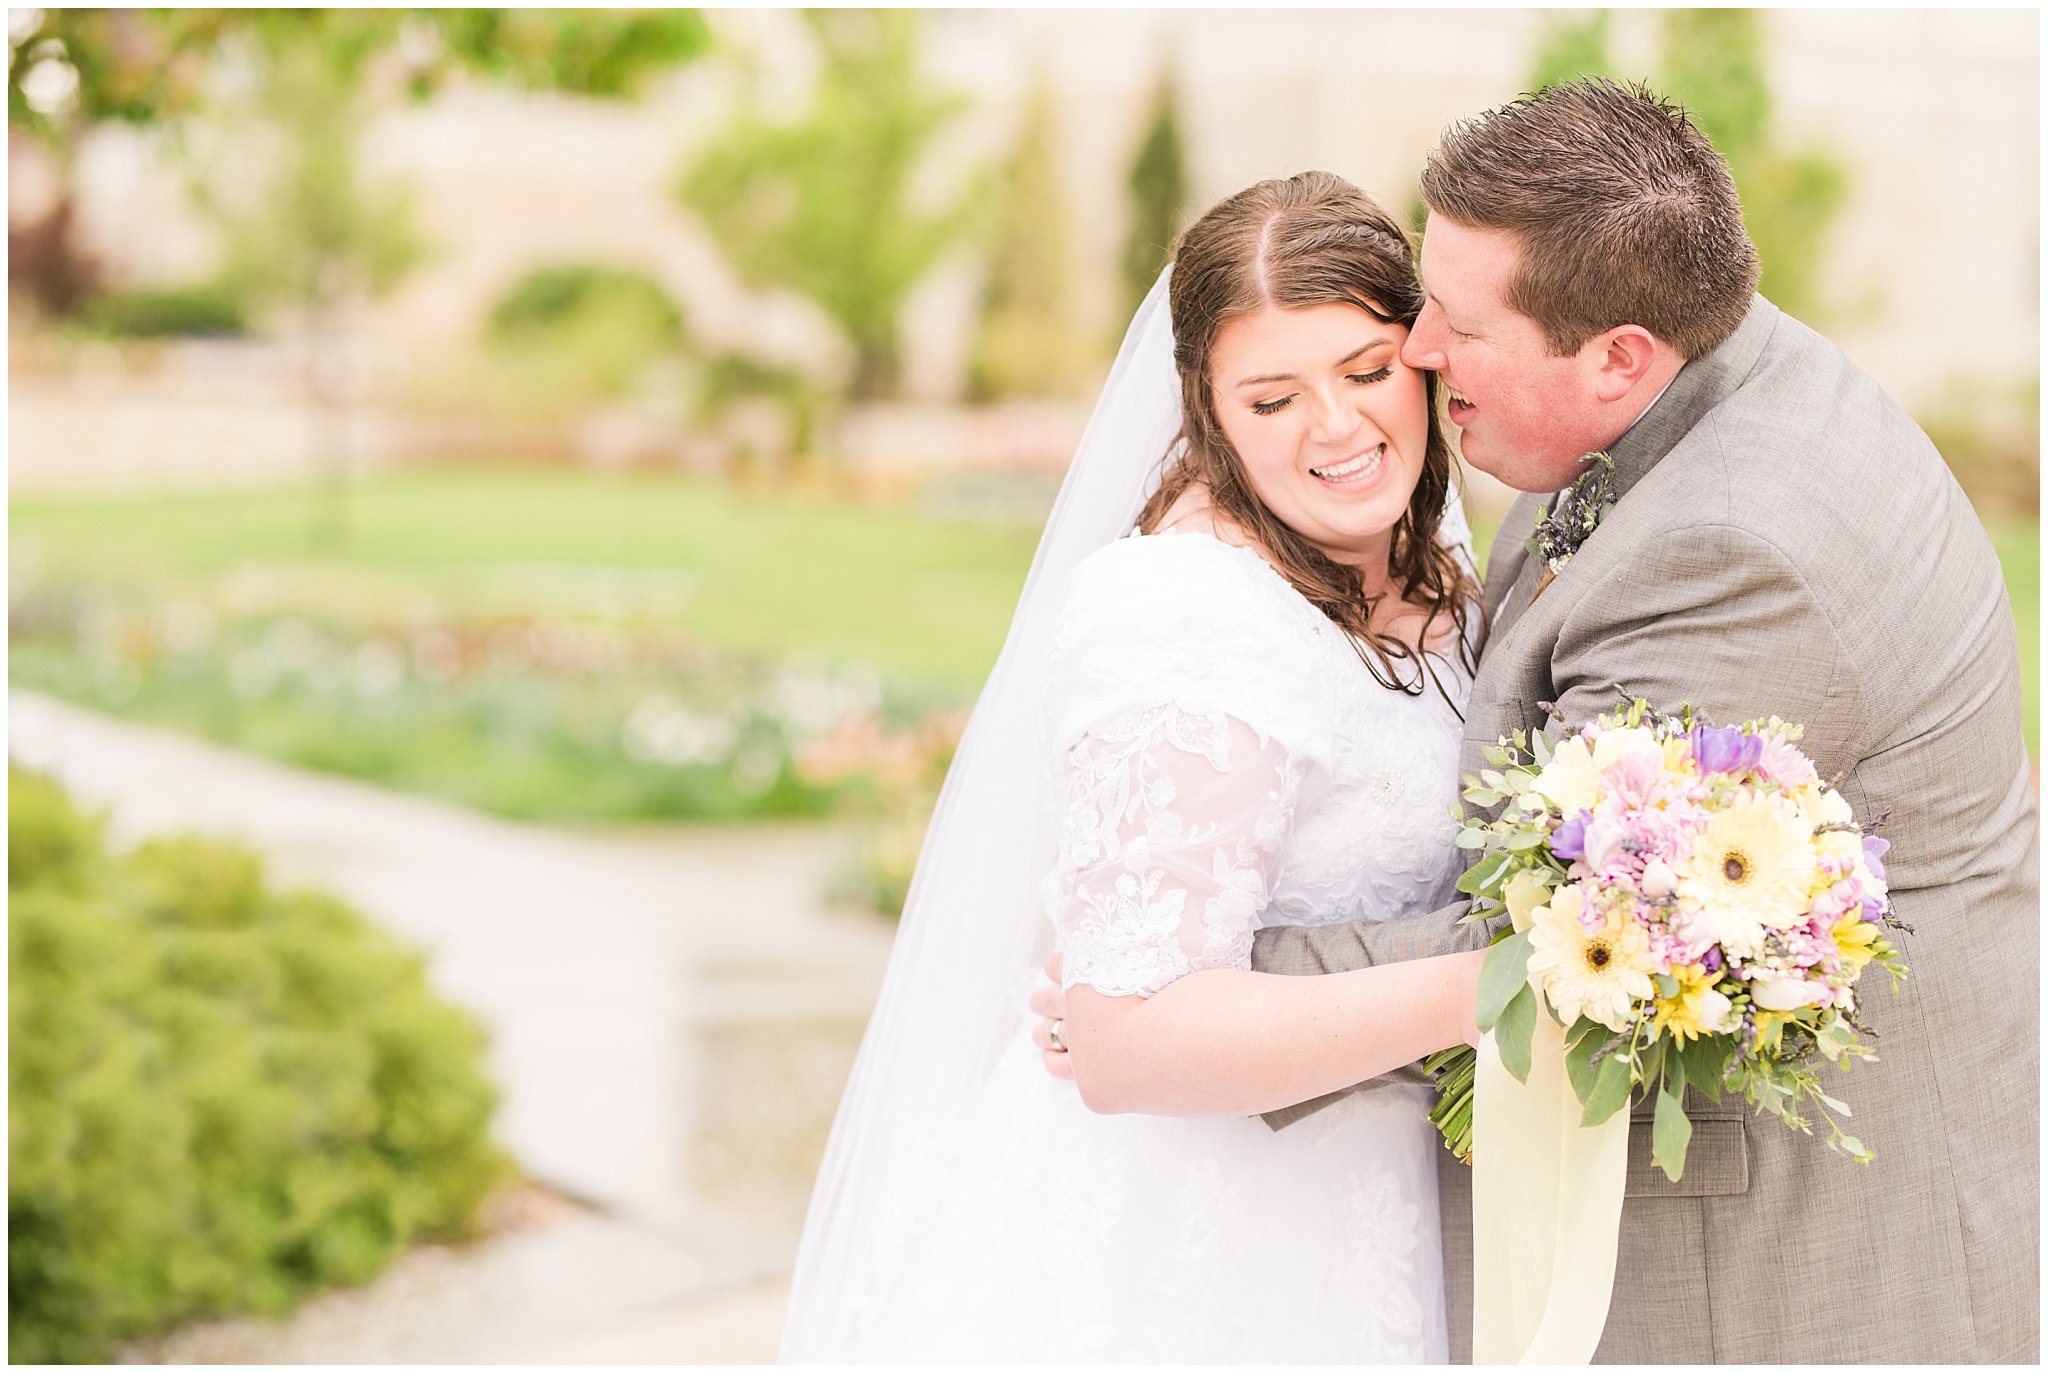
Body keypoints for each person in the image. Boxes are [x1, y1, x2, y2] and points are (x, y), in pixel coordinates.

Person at [1030, 78, 2039, 1364]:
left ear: (1619, 351)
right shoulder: (1710, 357)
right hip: (1258, 1224)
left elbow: (1579, 937)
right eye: (1275, 395)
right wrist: (1156, 1004)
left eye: (1444, 326)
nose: (1419, 355)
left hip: (1789, 1254)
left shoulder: (1726, 548)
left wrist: (1192, 999)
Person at [780, 172, 1496, 1363]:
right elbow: (1129, 1040)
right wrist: (1496, 988)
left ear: (1422, 357)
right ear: (1206, 409)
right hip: (1204, 1236)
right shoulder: (1185, 612)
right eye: (1271, 398)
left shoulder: (1431, 567)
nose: (1336, 429)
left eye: (1366, 371)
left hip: (1382, 1199)